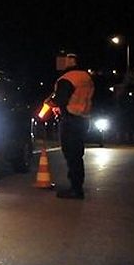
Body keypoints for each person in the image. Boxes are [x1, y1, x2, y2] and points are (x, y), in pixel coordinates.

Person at [47, 52, 94, 199]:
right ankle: (77, 186)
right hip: (83, 118)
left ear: (68, 62)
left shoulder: (66, 78)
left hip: (70, 119)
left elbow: (60, 99)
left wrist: (51, 103)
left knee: (71, 155)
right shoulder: (86, 77)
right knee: (77, 154)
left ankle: (75, 189)